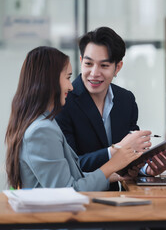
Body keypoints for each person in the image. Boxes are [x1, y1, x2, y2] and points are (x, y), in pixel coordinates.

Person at [5, 46, 143, 190]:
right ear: (50, 81)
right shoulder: (41, 130)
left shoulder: (43, 123)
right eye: (67, 77)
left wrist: (110, 176)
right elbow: (67, 190)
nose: (71, 87)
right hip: (54, 212)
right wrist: (112, 165)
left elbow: (68, 177)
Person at [55, 27, 166, 186]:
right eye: (88, 64)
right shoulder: (64, 102)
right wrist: (117, 149)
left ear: (118, 67)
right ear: (81, 62)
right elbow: (71, 165)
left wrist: (145, 168)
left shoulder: (126, 100)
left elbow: (132, 156)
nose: (94, 73)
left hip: (117, 198)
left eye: (104, 66)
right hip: (81, 197)